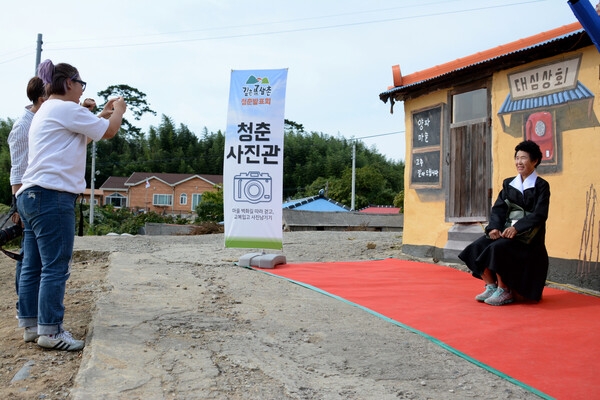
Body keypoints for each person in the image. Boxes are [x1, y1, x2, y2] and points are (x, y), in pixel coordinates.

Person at [16, 59, 127, 351]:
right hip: (52, 197)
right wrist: (119, 111)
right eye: (80, 84)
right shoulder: (66, 108)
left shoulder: (48, 109)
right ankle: (50, 332)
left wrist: (102, 114)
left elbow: (78, 138)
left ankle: (30, 325)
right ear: (68, 83)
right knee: (55, 266)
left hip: (30, 195)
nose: (81, 91)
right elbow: (108, 131)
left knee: (33, 265)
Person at [458, 140, 550, 306]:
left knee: (498, 248)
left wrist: (517, 228)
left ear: (534, 161)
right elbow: (499, 208)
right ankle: (491, 286)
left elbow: (540, 214)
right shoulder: (509, 184)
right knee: (477, 246)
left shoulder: (541, 186)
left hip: (528, 237)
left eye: (523, 158)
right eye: (517, 158)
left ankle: (504, 290)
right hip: (507, 232)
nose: (518, 162)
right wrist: (494, 227)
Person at [7, 76, 46, 305]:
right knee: (27, 257)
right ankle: (24, 304)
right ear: (42, 98)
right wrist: (17, 206)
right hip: (27, 196)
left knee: (32, 256)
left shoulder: (40, 119)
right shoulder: (23, 126)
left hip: (35, 195)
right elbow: (17, 169)